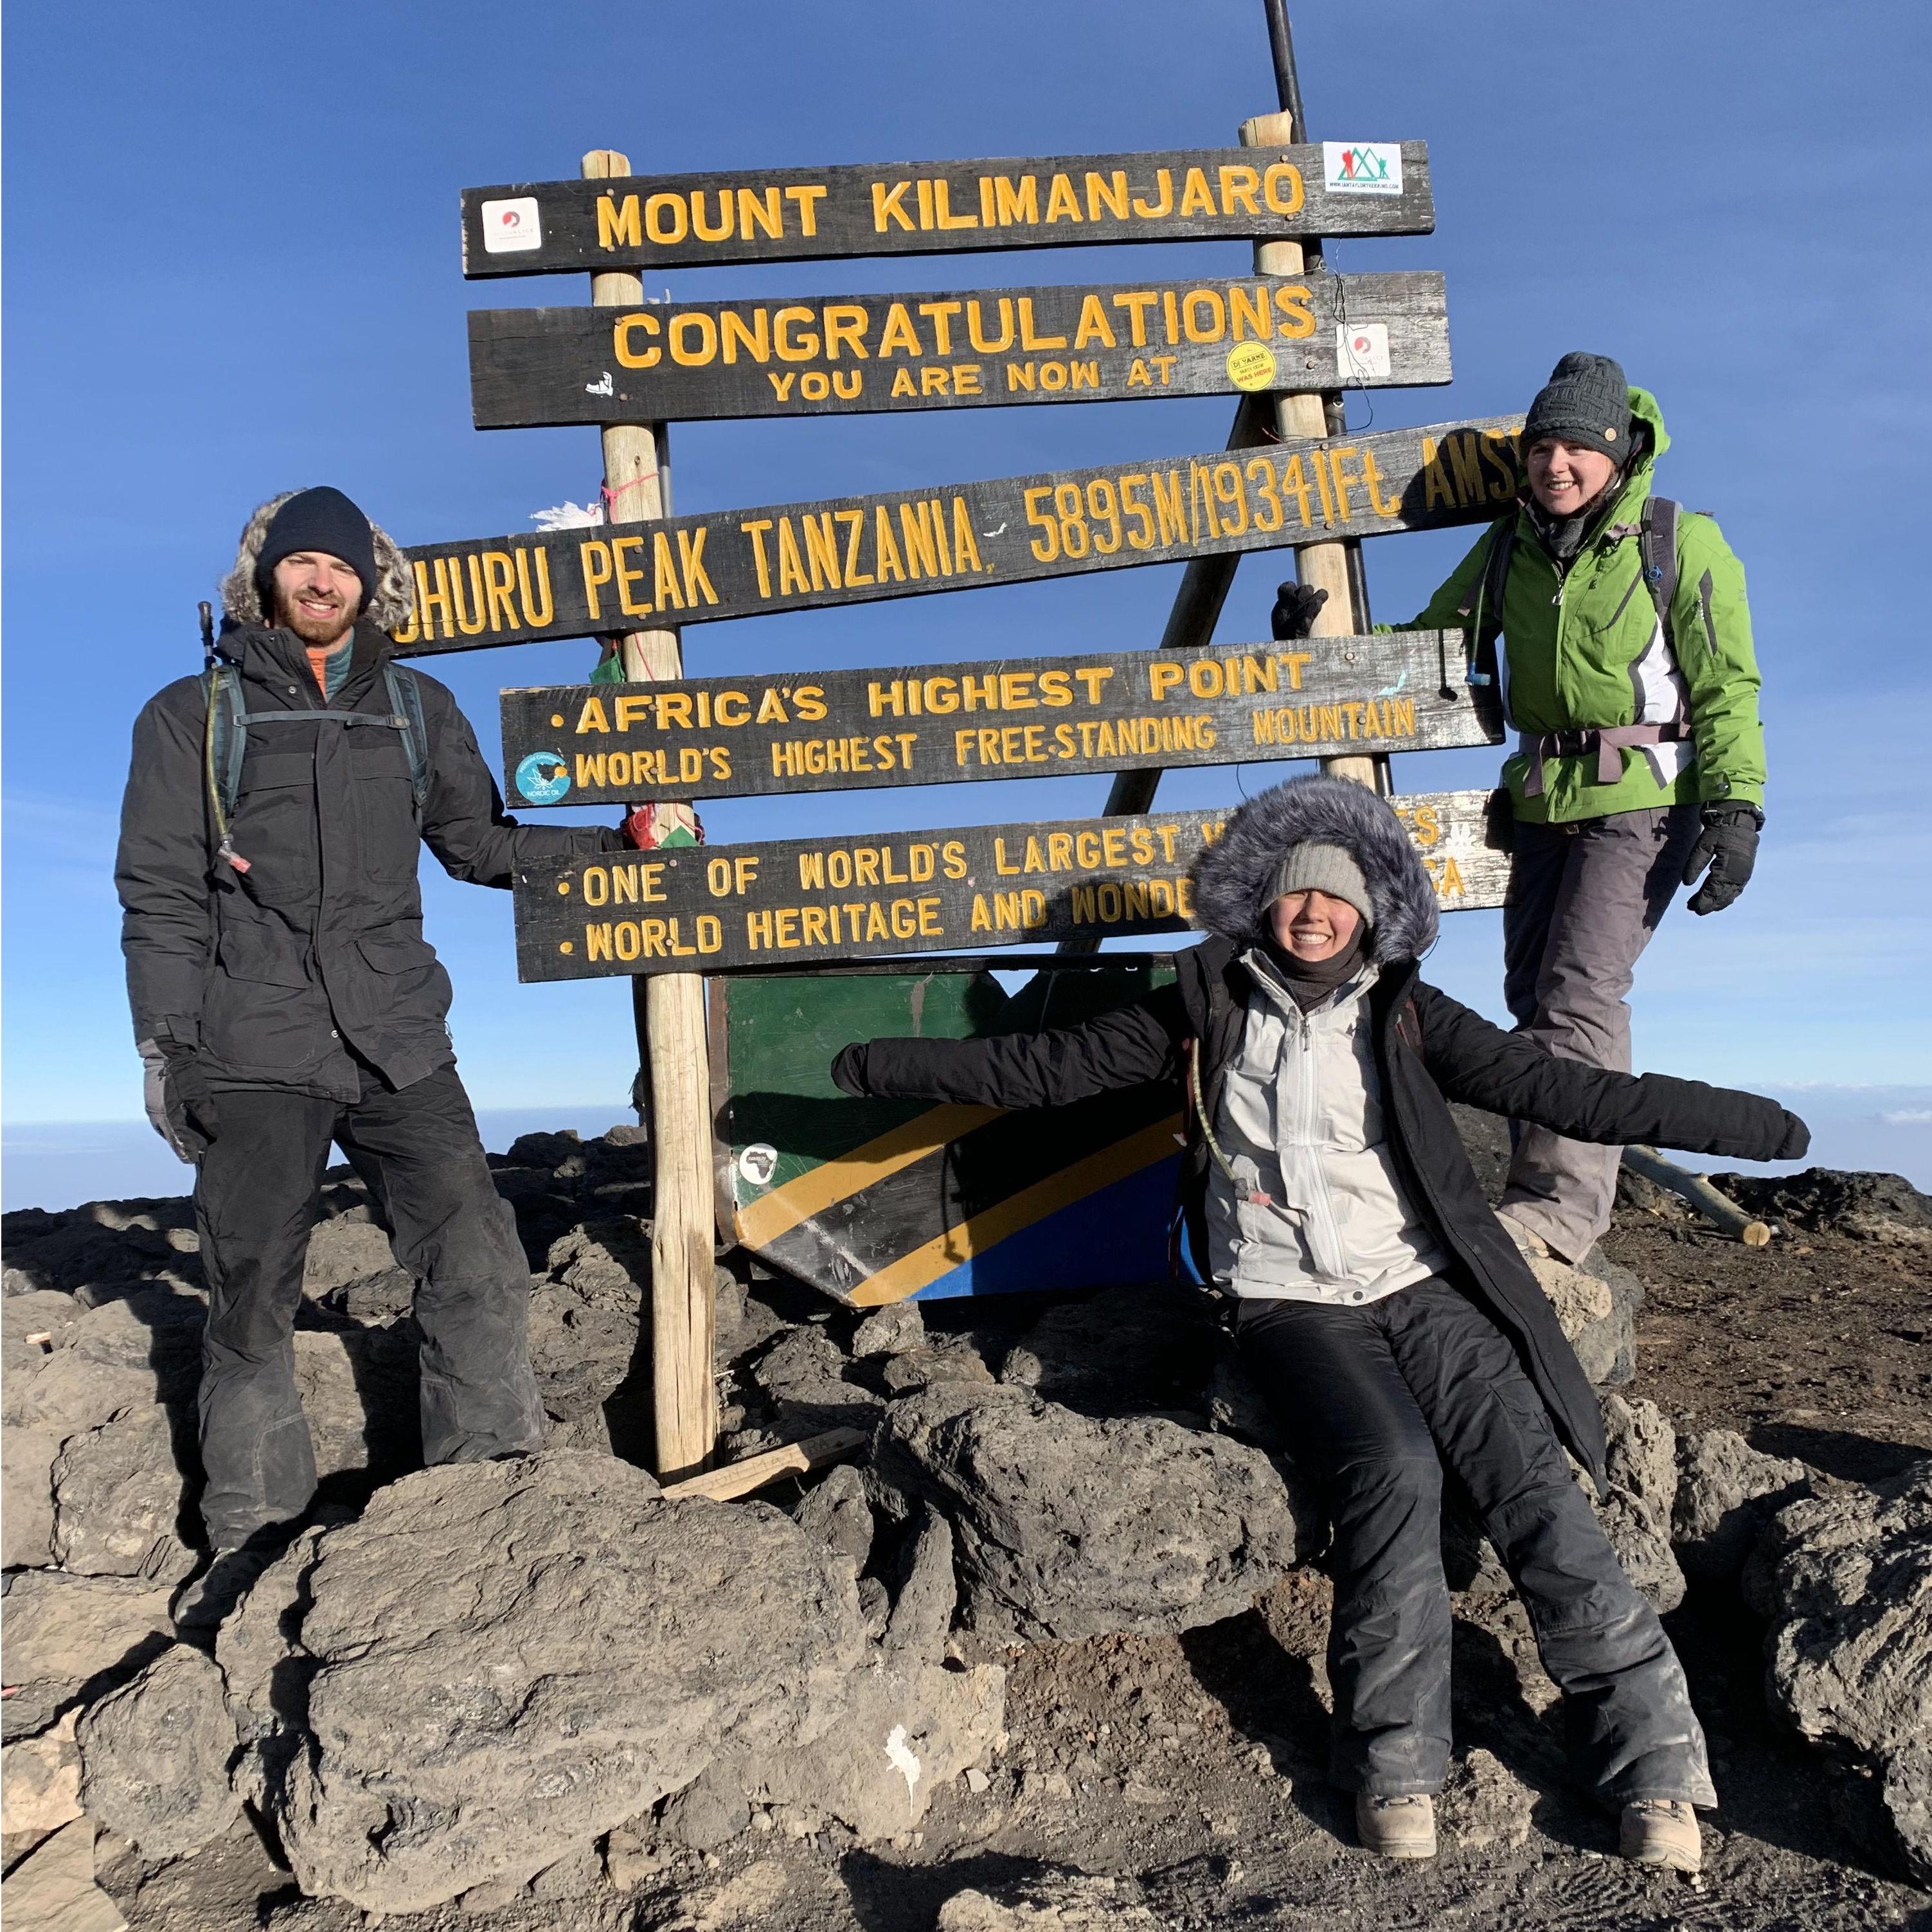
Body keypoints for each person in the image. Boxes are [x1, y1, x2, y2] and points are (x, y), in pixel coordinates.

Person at [828, 774, 1805, 1872]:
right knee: (1389, 1469)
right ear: (1261, 901)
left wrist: (1742, 1123)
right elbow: (1039, 1070)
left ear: (1370, 910)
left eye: (1336, 899)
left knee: (1528, 1476)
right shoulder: (1204, 1003)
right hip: (1287, 1303)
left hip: (1421, 1284)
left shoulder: (1408, 1008)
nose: (1314, 914)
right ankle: (1395, 1761)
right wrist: (872, 1066)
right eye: (1295, 894)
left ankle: (1654, 1770)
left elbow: (1566, 1093)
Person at [116, 487, 634, 1622]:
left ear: (367, 583)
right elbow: (157, 892)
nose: (320, 581)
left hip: (399, 1034)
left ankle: (488, 1494)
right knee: (252, 1290)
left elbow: (477, 842)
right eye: (298, 563)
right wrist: (168, 1047)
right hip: (254, 1042)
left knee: (478, 1254)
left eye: (339, 567)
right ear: (265, 579)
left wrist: (613, 841)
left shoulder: (414, 705)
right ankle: (254, 1540)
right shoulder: (187, 715)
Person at [1275, 353, 1766, 1273]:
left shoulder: (1678, 540)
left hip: (1646, 800)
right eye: (1543, 444)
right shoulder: (1508, 544)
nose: (1556, 462)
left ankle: (1551, 1217)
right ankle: (1542, 1190)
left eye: (1577, 444)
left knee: (1580, 992)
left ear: (1616, 451)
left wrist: (1737, 805)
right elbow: (1429, 638)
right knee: (1529, 996)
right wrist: (1320, 634)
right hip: (1540, 798)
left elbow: (1726, 684)